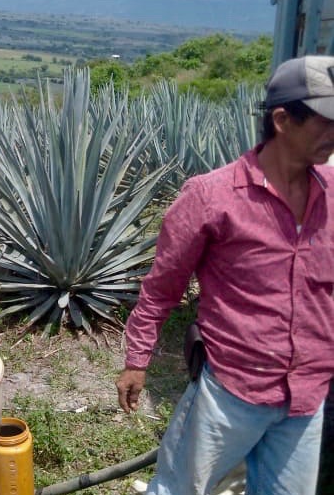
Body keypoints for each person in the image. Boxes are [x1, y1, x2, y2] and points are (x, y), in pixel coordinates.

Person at [116, 55, 334, 495]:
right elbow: (162, 289)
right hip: (232, 390)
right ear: (282, 120)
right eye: (326, 122)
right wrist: (137, 362)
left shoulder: (333, 195)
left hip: (307, 396)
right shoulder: (211, 197)